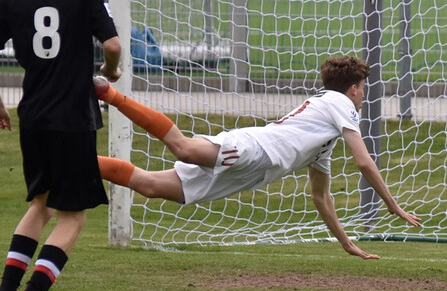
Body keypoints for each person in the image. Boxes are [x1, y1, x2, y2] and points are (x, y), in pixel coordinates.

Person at [94, 55, 422, 258]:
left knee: (150, 186)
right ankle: (110, 95)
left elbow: (321, 197)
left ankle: (75, 161)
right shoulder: (339, 103)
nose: (363, 95)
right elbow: (363, 161)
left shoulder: (322, 137)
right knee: (184, 148)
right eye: (363, 88)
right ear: (353, 88)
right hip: (255, 149)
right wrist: (393, 205)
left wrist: (345, 242)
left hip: (251, 172)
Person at [0, 0, 122, 291]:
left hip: (32, 116)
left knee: (40, 205)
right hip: (72, 119)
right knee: (72, 217)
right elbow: (112, 44)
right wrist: (111, 73)